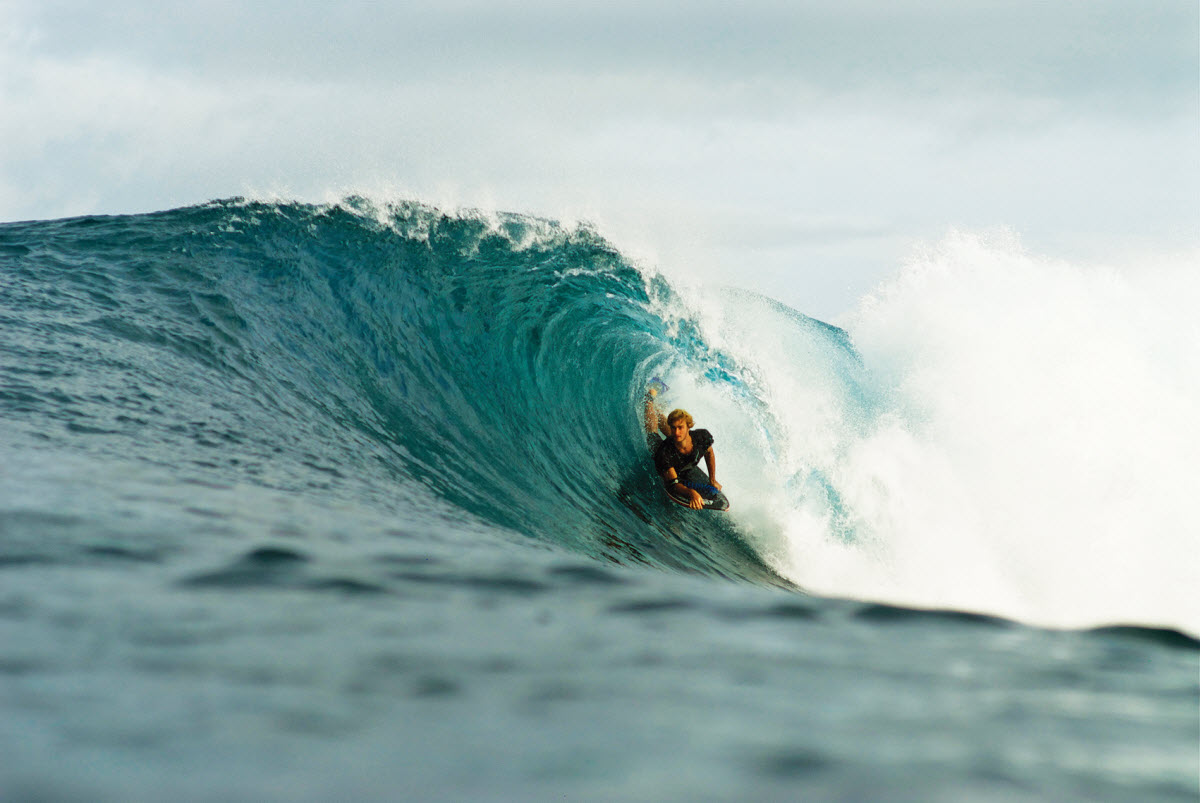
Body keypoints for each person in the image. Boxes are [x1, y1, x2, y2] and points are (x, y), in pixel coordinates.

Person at [644, 386, 728, 510]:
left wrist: (712, 479)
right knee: (652, 433)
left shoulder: (701, 437)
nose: (676, 431)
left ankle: (657, 409)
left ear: (689, 426)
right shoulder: (664, 453)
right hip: (661, 451)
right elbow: (673, 484)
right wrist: (691, 493)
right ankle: (649, 399)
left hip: (679, 446)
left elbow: (709, 453)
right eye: (673, 427)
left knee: (677, 437)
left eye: (680, 427)